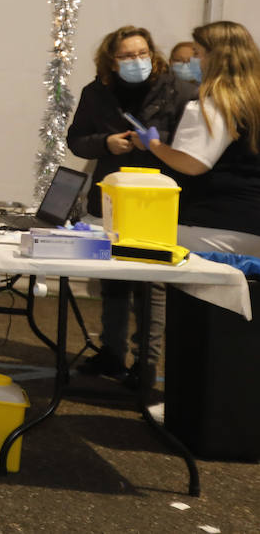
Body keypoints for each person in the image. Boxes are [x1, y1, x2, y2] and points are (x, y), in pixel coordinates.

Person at [67, 26, 195, 383]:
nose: (136, 61)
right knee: (114, 281)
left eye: (141, 53)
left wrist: (156, 144)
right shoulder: (96, 92)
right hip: (113, 195)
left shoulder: (179, 90)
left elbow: (193, 145)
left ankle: (146, 363)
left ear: (153, 55)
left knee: (151, 284)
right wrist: (106, 143)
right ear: (111, 60)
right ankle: (111, 352)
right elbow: (77, 140)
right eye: (126, 56)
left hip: (159, 199)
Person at [133, 21, 260, 257]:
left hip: (214, 225)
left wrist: (154, 145)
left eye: (198, 54)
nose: (194, 61)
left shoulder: (214, 104)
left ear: (216, 57)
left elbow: (192, 163)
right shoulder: (252, 102)